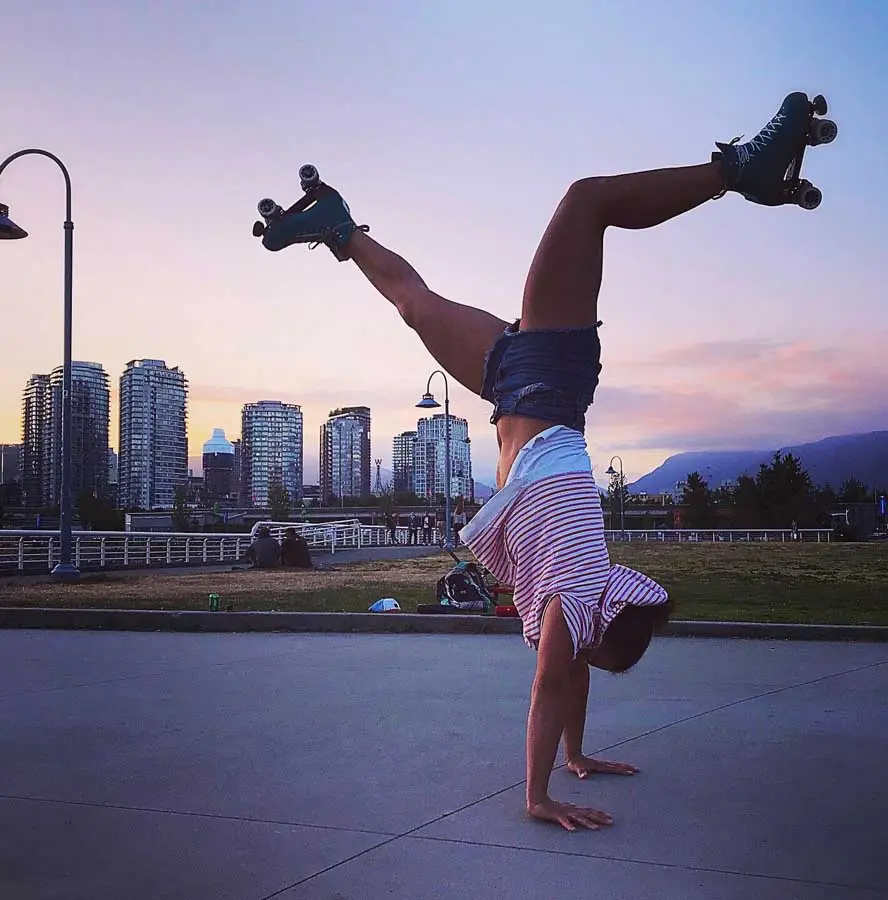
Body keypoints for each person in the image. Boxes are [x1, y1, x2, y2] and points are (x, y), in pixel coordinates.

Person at [257, 92, 826, 830]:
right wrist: (537, 797)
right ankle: (737, 172)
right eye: (591, 655)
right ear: (600, 622)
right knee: (585, 202)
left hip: (513, 382)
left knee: (412, 302)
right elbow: (550, 689)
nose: (575, 664)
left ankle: (337, 226)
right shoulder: (579, 601)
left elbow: (569, 681)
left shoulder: (583, 606)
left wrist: (576, 759)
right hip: (549, 381)